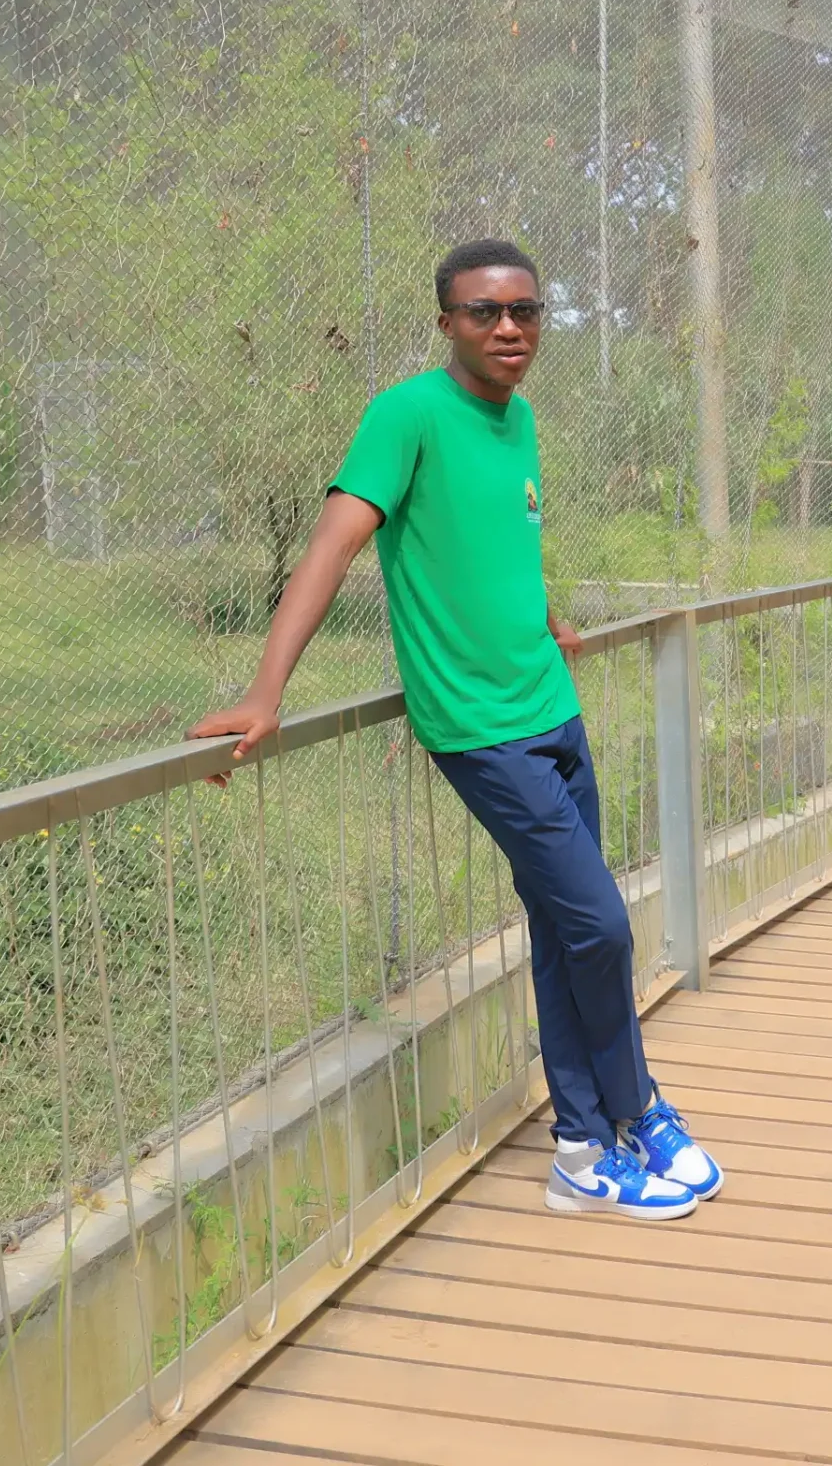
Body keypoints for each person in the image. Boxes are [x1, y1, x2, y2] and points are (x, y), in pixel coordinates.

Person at [189, 239, 722, 1223]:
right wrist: (265, 691)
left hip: (550, 705)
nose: (509, 328)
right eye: (485, 312)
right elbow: (332, 547)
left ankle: (583, 1147)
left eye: (525, 310)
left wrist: (545, 617)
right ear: (446, 323)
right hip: (481, 730)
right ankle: (634, 1109)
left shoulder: (519, 417)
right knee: (601, 925)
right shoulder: (407, 414)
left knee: (565, 925)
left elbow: (500, 539)